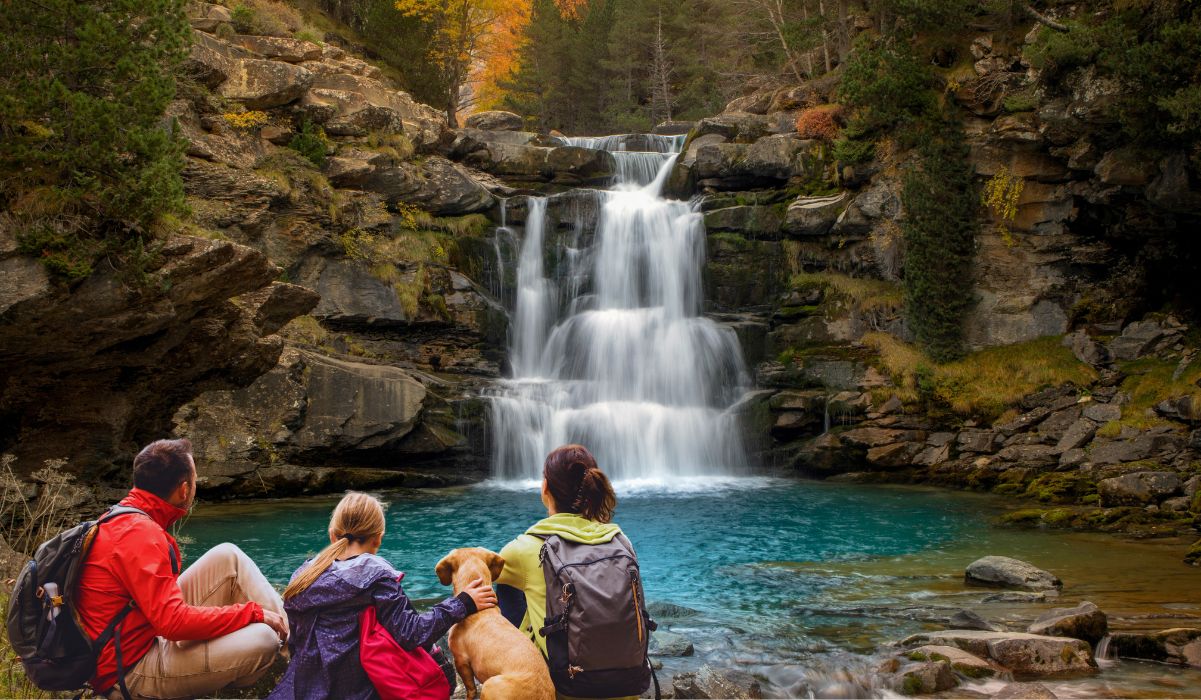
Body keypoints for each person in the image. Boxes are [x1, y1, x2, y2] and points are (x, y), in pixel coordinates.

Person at [78, 438, 289, 700]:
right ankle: (295, 652)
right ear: (184, 489)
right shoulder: (141, 534)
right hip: (129, 671)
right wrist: (252, 613)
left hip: (139, 634)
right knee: (263, 639)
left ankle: (295, 643)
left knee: (228, 556)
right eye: (196, 480)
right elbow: (173, 624)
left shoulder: (121, 517)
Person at [267, 491, 497, 700]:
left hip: (305, 687)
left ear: (332, 535)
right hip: (360, 690)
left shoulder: (303, 575)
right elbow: (412, 633)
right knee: (437, 665)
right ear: (378, 538)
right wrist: (462, 603)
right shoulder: (376, 577)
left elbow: (296, 643)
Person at [495, 444, 648, 700]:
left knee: (506, 586)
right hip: (627, 686)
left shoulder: (524, 549)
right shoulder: (622, 541)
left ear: (545, 488)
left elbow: (475, 573)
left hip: (564, 689)